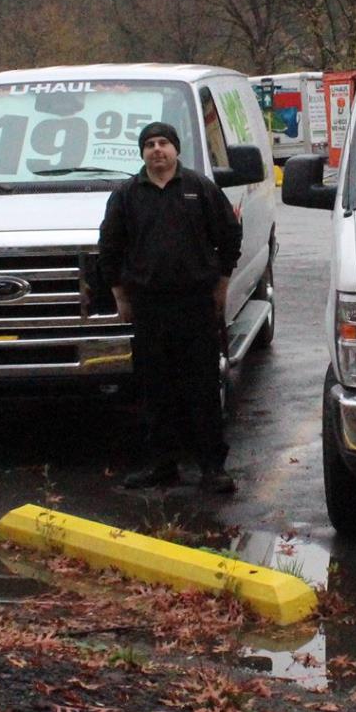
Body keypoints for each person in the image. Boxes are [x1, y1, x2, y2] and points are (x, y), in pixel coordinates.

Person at [97, 120, 243, 493]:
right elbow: (109, 248)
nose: (157, 150)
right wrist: (120, 294)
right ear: (142, 153)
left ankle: (212, 467)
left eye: (163, 143)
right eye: (150, 144)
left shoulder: (200, 188)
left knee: (202, 388)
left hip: (195, 305)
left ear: (176, 149)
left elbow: (229, 235)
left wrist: (222, 282)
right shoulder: (127, 195)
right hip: (148, 307)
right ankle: (162, 465)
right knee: (155, 390)